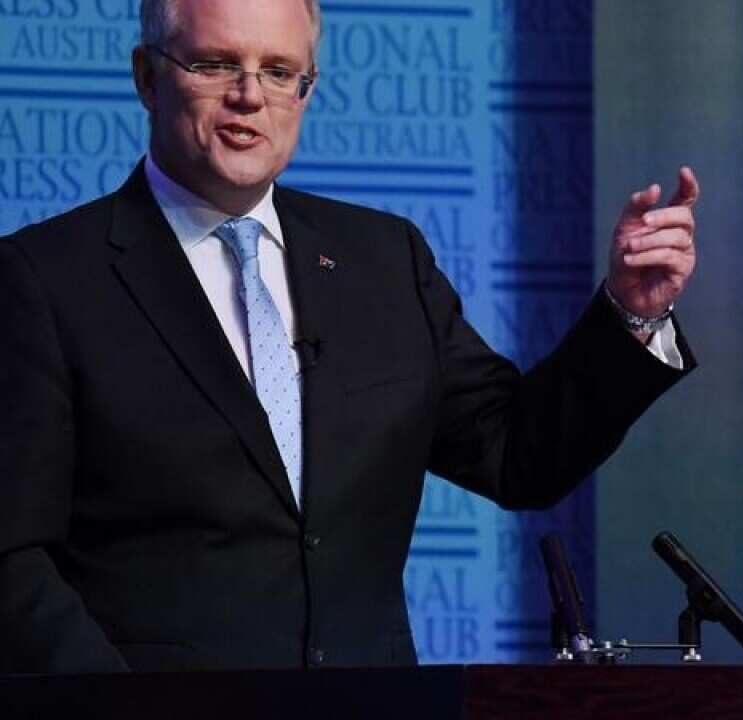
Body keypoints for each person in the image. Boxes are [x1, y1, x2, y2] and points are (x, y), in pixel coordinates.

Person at [0, 0, 698, 673]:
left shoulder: (384, 260)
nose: (250, 95)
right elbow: (12, 555)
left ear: (308, 89)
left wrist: (629, 314)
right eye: (215, 63)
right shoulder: (44, 279)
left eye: (279, 71)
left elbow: (517, 453)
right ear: (148, 77)